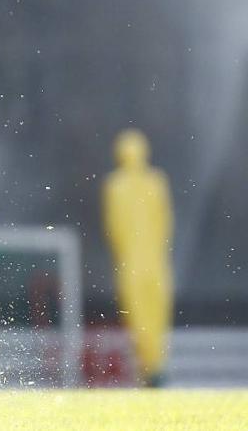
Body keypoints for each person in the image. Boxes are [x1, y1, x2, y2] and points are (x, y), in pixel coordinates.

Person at [103, 128, 173, 387]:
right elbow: (166, 222)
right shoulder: (156, 182)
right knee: (149, 317)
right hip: (154, 262)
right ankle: (153, 369)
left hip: (134, 264)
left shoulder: (116, 186)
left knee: (143, 318)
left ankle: (151, 370)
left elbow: (114, 227)